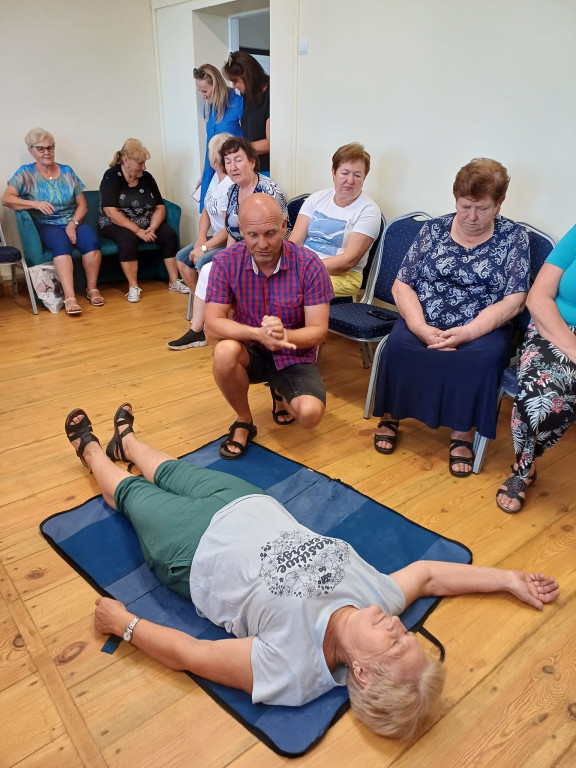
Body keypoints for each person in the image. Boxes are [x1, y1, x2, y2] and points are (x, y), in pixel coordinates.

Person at [64, 403, 560, 740]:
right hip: (249, 505)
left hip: (193, 550)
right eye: (407, 635)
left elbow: (192, 653)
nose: (397, 626)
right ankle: (126, 441)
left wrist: (123, 625)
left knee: (130, 495)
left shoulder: (296, 670)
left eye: (394, 643)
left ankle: (88, 450)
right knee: (171, 470)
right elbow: (431, 576)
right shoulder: (379, 605)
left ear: (361, 672)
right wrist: (508, 578)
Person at [372, 158, 530, 477]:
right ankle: (391, 415)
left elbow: (515, 300)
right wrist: (419, 326)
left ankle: (462, 433)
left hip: (483, 325)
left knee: (480, 359)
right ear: (455, 199)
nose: (472, 216)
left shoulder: (515, 238)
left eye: (482, 208)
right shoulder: (434, 229)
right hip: (424, 316)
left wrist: (469, 332)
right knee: (400, 346)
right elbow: (402, 283)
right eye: (465, 206)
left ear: (499, 203)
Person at [205, 194, 333, 459]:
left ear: (285, 225)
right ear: (240, 230)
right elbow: (212, 325)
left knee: (309, 415)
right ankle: (243, 419)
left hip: (293, 354)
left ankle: (279, 391)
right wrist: (256, 334)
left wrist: (283, 335)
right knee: (224, 352)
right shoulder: (225, 262)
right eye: (252, 235)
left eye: (271, 233)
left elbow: (319, 332)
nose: (262, 244)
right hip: (250, 350)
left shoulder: (310, 265)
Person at [168, 138, 286, 353]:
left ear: (252, 161)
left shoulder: (267, 190)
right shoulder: (234, 191)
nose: (233, 166)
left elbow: (280, 234)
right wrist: (227, 258)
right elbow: (232, 232)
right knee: (212, 268)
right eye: (228, 161)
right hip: (242, 251)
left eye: (238, 160)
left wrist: (236, 257)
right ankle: (202, 329)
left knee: (208, 269)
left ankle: (206, 328)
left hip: (266, 252)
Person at [496, 225, 576, 512]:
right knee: (538, 398)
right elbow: (538, 296)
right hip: (552, 328)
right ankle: (525, 467)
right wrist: (571, 347)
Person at [2, 128, 104, 315]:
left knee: (91, 241)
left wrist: (73, 223)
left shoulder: (67, 171)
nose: (47, 152)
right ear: (31, 151)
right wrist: (35, 203)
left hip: (72, 221)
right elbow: (7, 199)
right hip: (46, 224)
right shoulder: (25, 173)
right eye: (41, 149)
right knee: (61, 243)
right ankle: (70, 296)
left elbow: (82, 205)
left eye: (50, 148)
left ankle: (92, 289)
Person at [289, 143, 381, 298]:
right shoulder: (316, 199)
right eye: (344, 173)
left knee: (291, 289)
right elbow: (294, 242)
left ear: (364, 177)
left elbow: (348, 261)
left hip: (344, 276)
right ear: (333, 173)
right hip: (303, 267)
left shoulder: (369, 211)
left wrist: (305, 269)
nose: (350, 180)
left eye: (357, 175)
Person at [167, 133, 233, 350]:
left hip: (226, 240)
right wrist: (199, 240)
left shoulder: (231, 184)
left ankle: (209, 315)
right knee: (181, 259)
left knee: (201, 261)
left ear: (215, 157)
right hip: (214, 238)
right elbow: (205, 210)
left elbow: (228, 228)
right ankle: (202, 309)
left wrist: (205, 248)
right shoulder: (214, 178)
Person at [98, 138, 185, 303]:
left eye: (144, 163)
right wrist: (137, 231)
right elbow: (110, 211)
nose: (144, 167)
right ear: (126, 160)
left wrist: (152, 227)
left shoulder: (147, 178)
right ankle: (133, 287)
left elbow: (160, 206)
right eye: (140, 163)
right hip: (115, 223)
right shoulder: (112, 176)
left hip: (145, 222)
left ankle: (174, 281)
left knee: (168, 234)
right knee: (128, 238)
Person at [193, 64, 242, 211]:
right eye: (200, 91)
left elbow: (246, 142)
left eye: (205, 91)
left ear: (217, 85)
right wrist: (204, 173)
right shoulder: (209, 108)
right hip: (212, 170)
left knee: (229, 216)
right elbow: (210, 144)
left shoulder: (238, 104)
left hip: (231, 171)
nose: (203, 96)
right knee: (209, 213)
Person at [222, 52, 270, 173]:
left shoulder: (271, 95)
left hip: (267, 169)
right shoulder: (247, 95)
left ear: (247, 76)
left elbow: (269, 144)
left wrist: (239, 148)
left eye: (235, 81)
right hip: (251, 168)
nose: (233, 86)